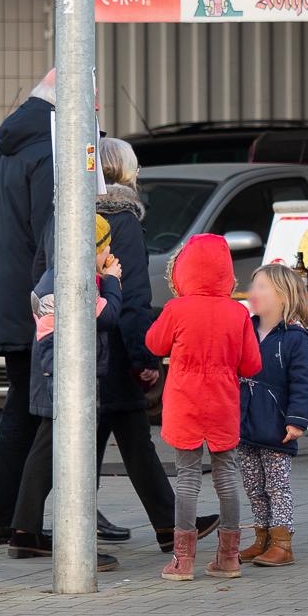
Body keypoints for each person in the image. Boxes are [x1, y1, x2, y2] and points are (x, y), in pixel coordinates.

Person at [94, 138, 218, 552]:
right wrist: (144, 356)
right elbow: (133, 296)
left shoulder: (79, 213)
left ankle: (169, 525)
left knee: (130, 438)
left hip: (93, 344)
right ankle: (37, 524)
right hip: (113, 347)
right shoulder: (123, 219)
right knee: (110, 438)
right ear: (126, 172)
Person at [7, 214, 122, 571]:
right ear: (90, 248)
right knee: (68, 454)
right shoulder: (74, 280)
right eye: (104, 248)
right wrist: (113, 282)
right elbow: (107, 317)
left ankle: (25, 532)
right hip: (66, 375)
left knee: (46, 451)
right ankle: (70, 544)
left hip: (55, 371)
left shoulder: (58, 275)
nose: (109, 254)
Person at [147, 234, 262, 581]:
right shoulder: (238, 312)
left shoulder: (177, 309)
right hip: (224, 403)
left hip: (186, 402)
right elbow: (251, 365)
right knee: (226, 477)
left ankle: (183, 560)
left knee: (187, 477)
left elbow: (154, 343)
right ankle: (229, 558)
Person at [0, 72, 56, 546]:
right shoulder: (47, 150)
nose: (95, 112)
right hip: (37, 305)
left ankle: (4, 515)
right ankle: (16, 519)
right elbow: (52, 233)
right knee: (36, 413)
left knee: (22, 410)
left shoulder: (16, 147)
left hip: (14, 301)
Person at [238, 265, 308, 568]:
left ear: (282, 295)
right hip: (244, 423)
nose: (252, 293)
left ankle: (282, 542)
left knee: (277, 485)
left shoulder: (295, 338)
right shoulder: (245, 329)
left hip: (276, 424)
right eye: (253, 286)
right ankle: (263, 536)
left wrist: (296, 420)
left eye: (261, 287)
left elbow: (302, 383)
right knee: (253, 485)